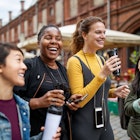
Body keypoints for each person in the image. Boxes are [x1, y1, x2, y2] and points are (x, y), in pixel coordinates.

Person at [66, 16, 130, 140]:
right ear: (84, 35)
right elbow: (79, 101)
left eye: (104, 32)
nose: (103, 36)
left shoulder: (101, 59)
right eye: (98, 32)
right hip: (84, 127)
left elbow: (98, 91)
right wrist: (102, 75)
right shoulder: (74, 61)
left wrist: (112, 92)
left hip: (105, 125)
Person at [14, 25, 81, 140]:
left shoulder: (63, 70)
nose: (54, 42)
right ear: (38, 42)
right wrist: (38, 102)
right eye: (48, 37)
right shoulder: (29, 66)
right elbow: (12, 99)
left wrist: (70, 103)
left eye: (58, 39)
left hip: (62, 132)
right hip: (36, 133)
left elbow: (65, 101)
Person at [0, 42, 61, 140]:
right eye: (18, 60)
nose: (24, 67)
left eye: (23, 61)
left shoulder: (22, 106)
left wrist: (43, 137)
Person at [124, 56, 140, 140]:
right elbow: (127, 109)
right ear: (138, 66)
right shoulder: (134, 86)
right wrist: (138, 103)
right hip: (137, 132)